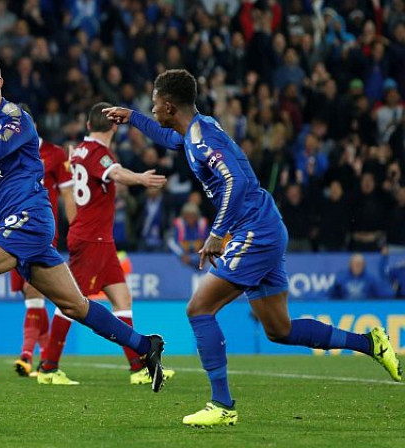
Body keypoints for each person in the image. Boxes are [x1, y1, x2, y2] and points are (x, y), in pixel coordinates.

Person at [104, 69, 402, 427]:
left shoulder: (200, 140)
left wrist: (217, 233)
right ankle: (370, 343)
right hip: (264, 225)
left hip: (254, 231)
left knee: (199, 309)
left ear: (168, 106)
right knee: (279, 329)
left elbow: (238, 180)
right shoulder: (197, 130)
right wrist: (132, 117)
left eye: (153, 106)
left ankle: (222, 404)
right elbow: (168, 139)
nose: (152, 111)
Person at [0, 57, 168, 401]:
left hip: (28, 218)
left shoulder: (17, 120)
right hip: (19, 225)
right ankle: (146, 345)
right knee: (76, 306)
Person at [35, 102, 175, 386]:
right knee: (70, 302)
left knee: (122, 299)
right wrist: (141, 178)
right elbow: (115, 173)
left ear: (88, 126)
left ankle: (138, 366)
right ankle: (48, 367)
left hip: (98, 237)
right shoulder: (98, 153)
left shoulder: (78, 151)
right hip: (92, 238)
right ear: (115, 126)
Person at [0, 102, 76, 379]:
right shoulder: (3, 150)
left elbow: (67, 196)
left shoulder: (53, 154)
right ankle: (45, 362)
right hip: (6, 230)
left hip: (37, 230)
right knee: (31, 297)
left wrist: (74, 229)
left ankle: (27, 355)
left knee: (34, 295)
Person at [329, 253, 395, 299]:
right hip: (345, 308)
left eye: (360, 264)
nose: (357, 266)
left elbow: (383, 294)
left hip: (367, 309)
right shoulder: (341, 278)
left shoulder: (371, 279)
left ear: (364, 265)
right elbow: (331, 295)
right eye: (355, 264)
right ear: (350, 265)